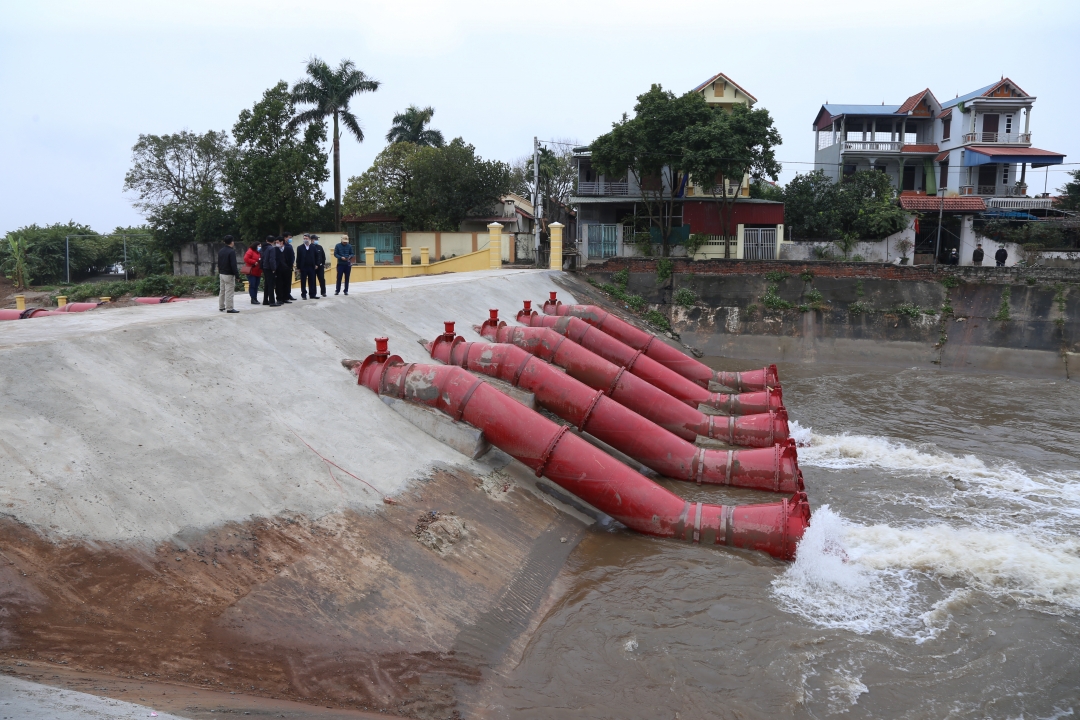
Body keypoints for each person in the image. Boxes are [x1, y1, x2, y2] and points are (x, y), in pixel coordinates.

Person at [217, 236, 240, 313]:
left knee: (222, 290)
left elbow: (219, 263)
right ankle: (229, 308)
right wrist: (237, 275)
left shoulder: (221, 251)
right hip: (229, 274)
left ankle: (221, 306)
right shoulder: (231, 251)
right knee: (229, 292)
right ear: (232, 242)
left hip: (222, 273)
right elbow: (233, 265)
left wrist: (220, 271)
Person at [296, 234, 319, 300]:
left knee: (312, 280)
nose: (305, 239)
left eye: (306, 238)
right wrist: (298, 267)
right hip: (303, 267)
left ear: (309, 239)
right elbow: (298, 258)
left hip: (311, 267)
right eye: (304, 238)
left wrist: (316, 264)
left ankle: (312, 294)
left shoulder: (313, 247)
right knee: (303, 281)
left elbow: (317, 256)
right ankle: (303, 294)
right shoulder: (300, 248)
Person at [261, 236, 279, 306]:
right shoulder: (271, 248)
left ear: (266, 240)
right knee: (271, 285)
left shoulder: (263, 248)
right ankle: (272, 301)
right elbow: (272, 260)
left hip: (265, 268)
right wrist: (274, 268)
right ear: (274, 241)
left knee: (267, 285)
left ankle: (265, 300)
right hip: (269, 268)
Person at [281, 234, 296, 300]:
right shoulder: (282, 246)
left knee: (288, 282)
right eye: (289, 237)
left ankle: (288, 294)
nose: (290, 239)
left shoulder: (289, 246)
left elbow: (292, 255)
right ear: (285, 238)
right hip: (283, 267)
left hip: (289, 266)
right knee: (283, 282)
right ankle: (283, 295)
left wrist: (292, 263)